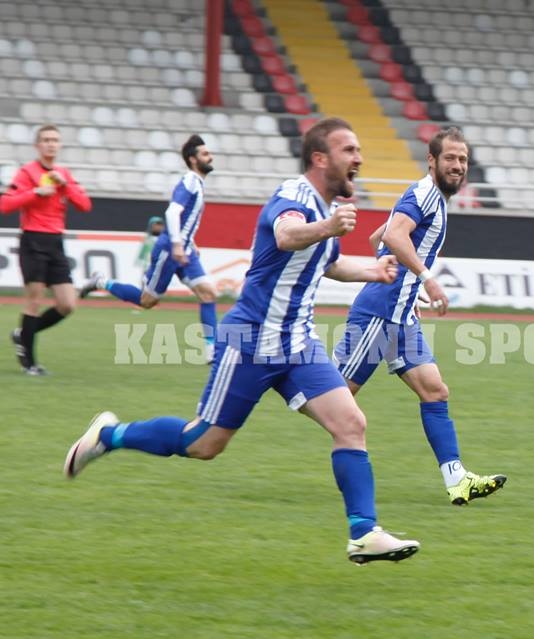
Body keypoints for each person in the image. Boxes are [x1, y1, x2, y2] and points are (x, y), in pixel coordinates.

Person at [63, 118, 420, 564]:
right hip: (251, 340)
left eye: (358, 149)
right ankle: (109, 435)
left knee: (351, 424)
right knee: (205, 444)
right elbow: (288, 235)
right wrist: (329, 226)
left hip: (298, 345)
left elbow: (326, 263)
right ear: (320, 158)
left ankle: (363, 533)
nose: (359, 158)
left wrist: (372, 270)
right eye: (349, 149)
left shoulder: (324, 208)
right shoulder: (293, 196)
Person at [333, 126, 507, 505]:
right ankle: (275, 376)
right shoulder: (425, 193)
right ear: (432, 160)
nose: (458, 165)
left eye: (462, 159)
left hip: (400, 315)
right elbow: (394, 236)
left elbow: (377, 237)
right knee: (334, 397)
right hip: (378, 314)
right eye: (450, 158)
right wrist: (426, 280)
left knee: (435, 391)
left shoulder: (431, 198)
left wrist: (406, 290)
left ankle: (456, 479)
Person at [80, 135, 219, 362]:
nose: (210, 157)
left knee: (208, 293)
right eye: (205, 154)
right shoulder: (190, 181)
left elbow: (184, 218)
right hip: (169, 250)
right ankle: (101, 281)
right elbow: (172, 212)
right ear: (193, 160)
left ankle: (211, 349)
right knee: (147, 301)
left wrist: (189, 241)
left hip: (184, 249)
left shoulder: (198, 183)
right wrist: (176, 244)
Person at [1, 124, 92, 375]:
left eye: (55, 140)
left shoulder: (64, 173)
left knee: (68, 303)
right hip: (33, 240)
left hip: (55, 242)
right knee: (34, 300)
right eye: (46, 140)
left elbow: (85, 205)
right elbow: (5, 204)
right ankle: (30, 364)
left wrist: (65, 186)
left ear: (59, 145)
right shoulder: (26, 173)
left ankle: (23, 334)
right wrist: (35, 192)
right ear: (37, 145)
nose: (51, 144)